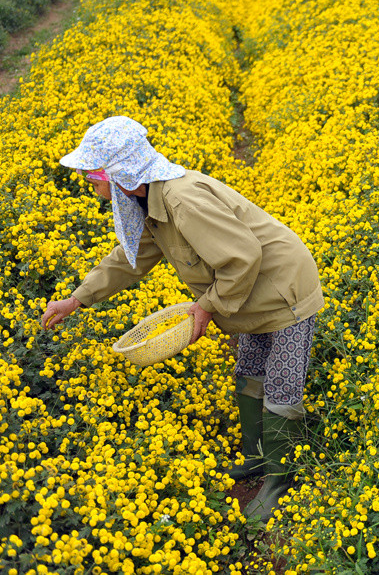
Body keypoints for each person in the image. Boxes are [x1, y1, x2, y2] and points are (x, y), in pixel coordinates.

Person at [40, 116, 324, 522]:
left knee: (281, 384)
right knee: (250, 370)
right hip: (250, 291)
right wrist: (77, 299)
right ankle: (256, 460)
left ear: (121, 172)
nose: (90, 181)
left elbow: (242, 257)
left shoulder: (181, 200)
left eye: (93, 173)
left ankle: (280, 481)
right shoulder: (145, 200)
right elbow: (130, 258)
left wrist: (205, 308)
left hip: (283, 289)